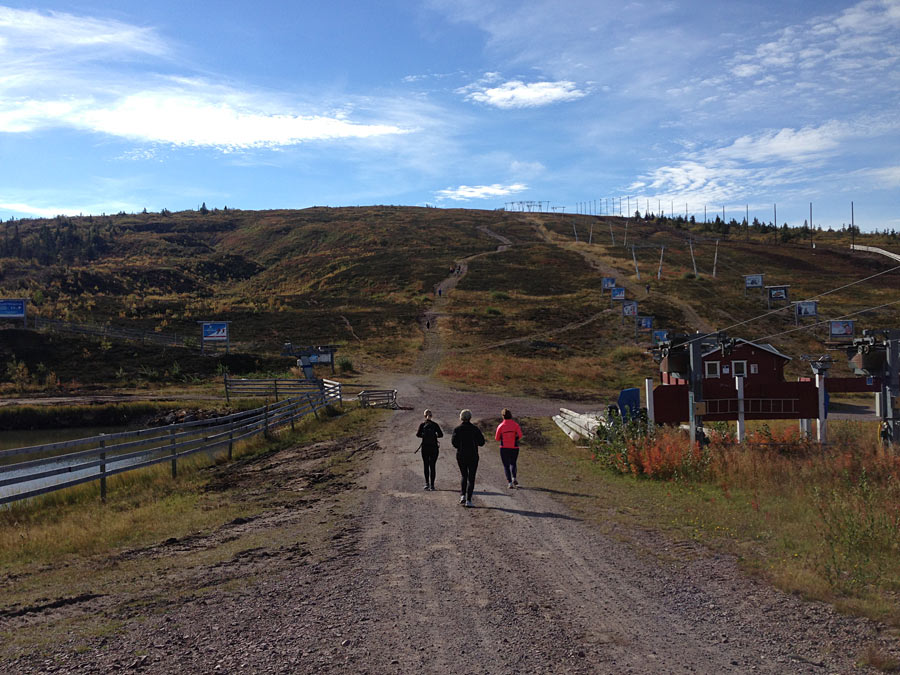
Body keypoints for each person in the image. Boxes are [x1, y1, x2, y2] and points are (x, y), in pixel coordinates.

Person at [451, 409, 485, 507]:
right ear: (470, 417)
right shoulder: (475, 429)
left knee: (464, 475)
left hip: (461, 455)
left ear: (461, 417)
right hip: (473, 455)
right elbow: (482, 442)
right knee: (471, 477)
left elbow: (454, 443)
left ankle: (462, 495)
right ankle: (469, 500)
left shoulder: (457, 429)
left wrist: (460, 446)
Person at [494, 408, 523, 488]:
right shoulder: (516, 425)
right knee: (513, 463)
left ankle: (509, 483)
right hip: (514, 447)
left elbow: (497, 438)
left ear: (503, 416)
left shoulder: (500, 426)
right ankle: (514, 477)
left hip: (504, 448)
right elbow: (520, 435)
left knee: (506, 466)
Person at [416, 409, 443, 490]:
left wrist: (424, 436)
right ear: (431, 416)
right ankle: (432, 485)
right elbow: (441, 435)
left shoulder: (422, 425)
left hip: (425, 447)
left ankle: (427, 483)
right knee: (432, 466)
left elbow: (418, 435)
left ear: (424, 416)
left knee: (426, 465)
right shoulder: (435, 425)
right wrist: (434, 437)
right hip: (434, 448)